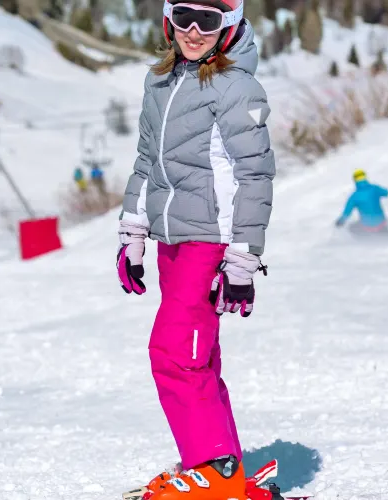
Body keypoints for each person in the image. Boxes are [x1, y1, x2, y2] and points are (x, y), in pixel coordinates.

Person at [116, 1, 274, 499]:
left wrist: (242, 261)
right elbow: (147, 162)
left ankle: (215, 470)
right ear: (168, 19)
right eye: (183, 16)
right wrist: (133, 234)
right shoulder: (160, 81)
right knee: (196, 355)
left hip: (211, 241)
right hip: (172, 240)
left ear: (228, 26)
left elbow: (255, 178)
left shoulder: (236, 88)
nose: (192, 31)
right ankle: (219, 467)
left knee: (173, 352)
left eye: (207, 20)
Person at [334, 169, 388, 234]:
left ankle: (363, 239)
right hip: (382, 223)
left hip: (367, 226)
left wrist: (340, 222)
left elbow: (347, 212)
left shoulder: (354, 196)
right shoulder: (375, 188)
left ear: (355, 180)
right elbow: (386, 193)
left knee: (352, 227)